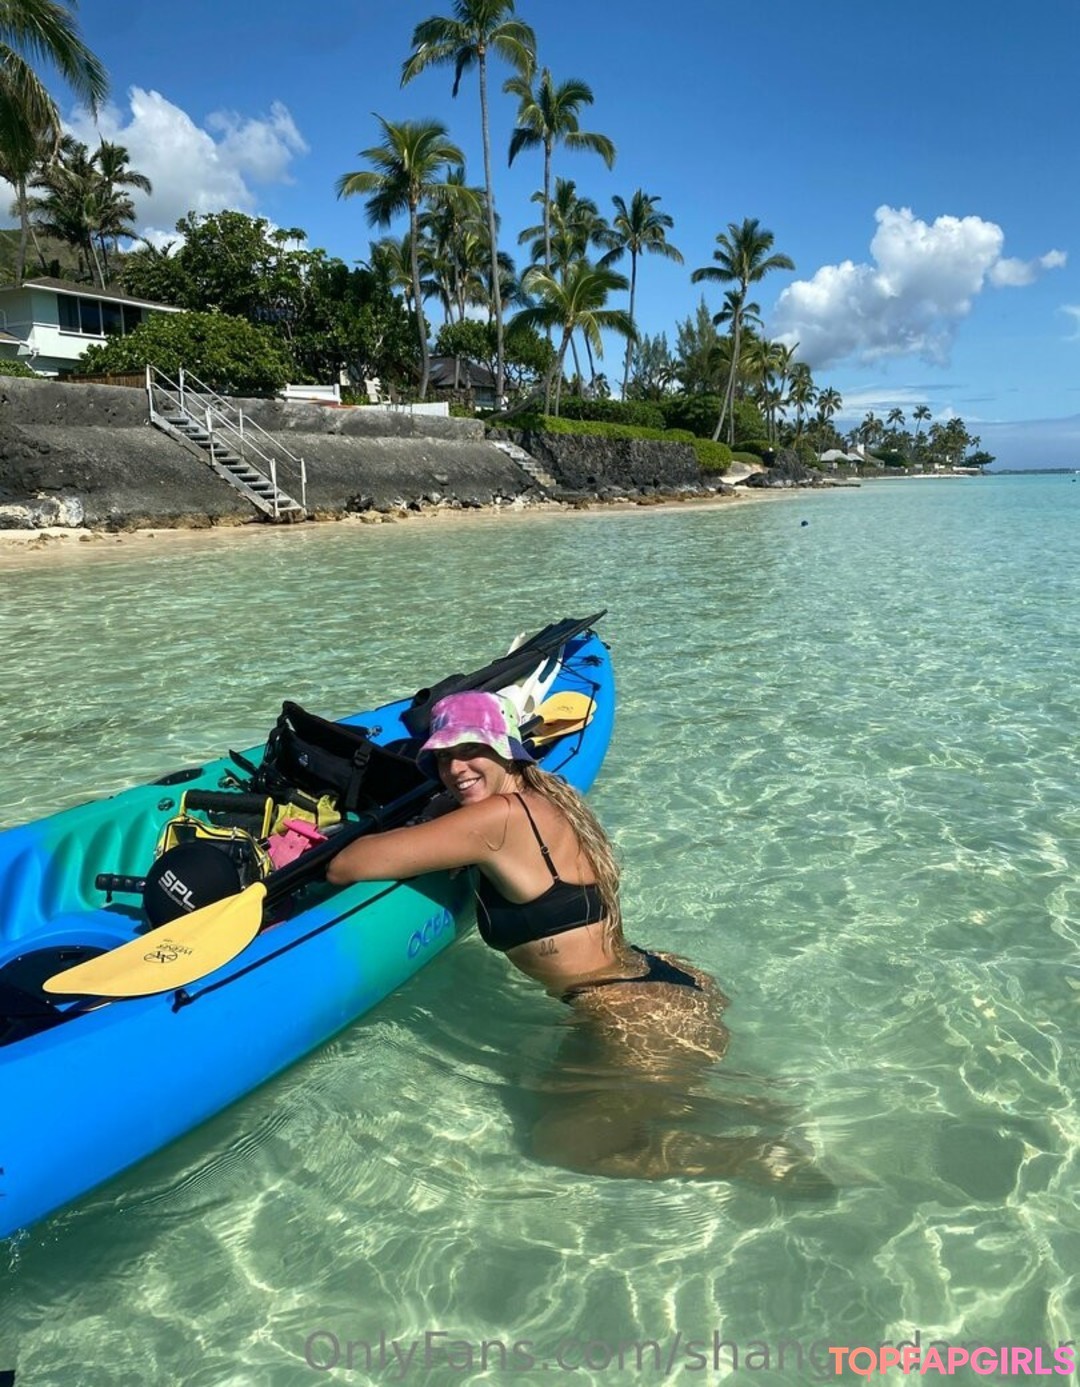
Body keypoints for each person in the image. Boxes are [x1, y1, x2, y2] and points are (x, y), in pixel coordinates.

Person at [327, 691, 830, 1193]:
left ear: (505, 750)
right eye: (442, 757)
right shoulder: (552, 795)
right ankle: (744, 1106)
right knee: (549, 1092)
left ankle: (746, 1156)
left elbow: (347, 864)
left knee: (562, 1144)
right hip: (660, 980)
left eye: (470, 750)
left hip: (630, 1014)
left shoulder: (495, 819)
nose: (455, 768)